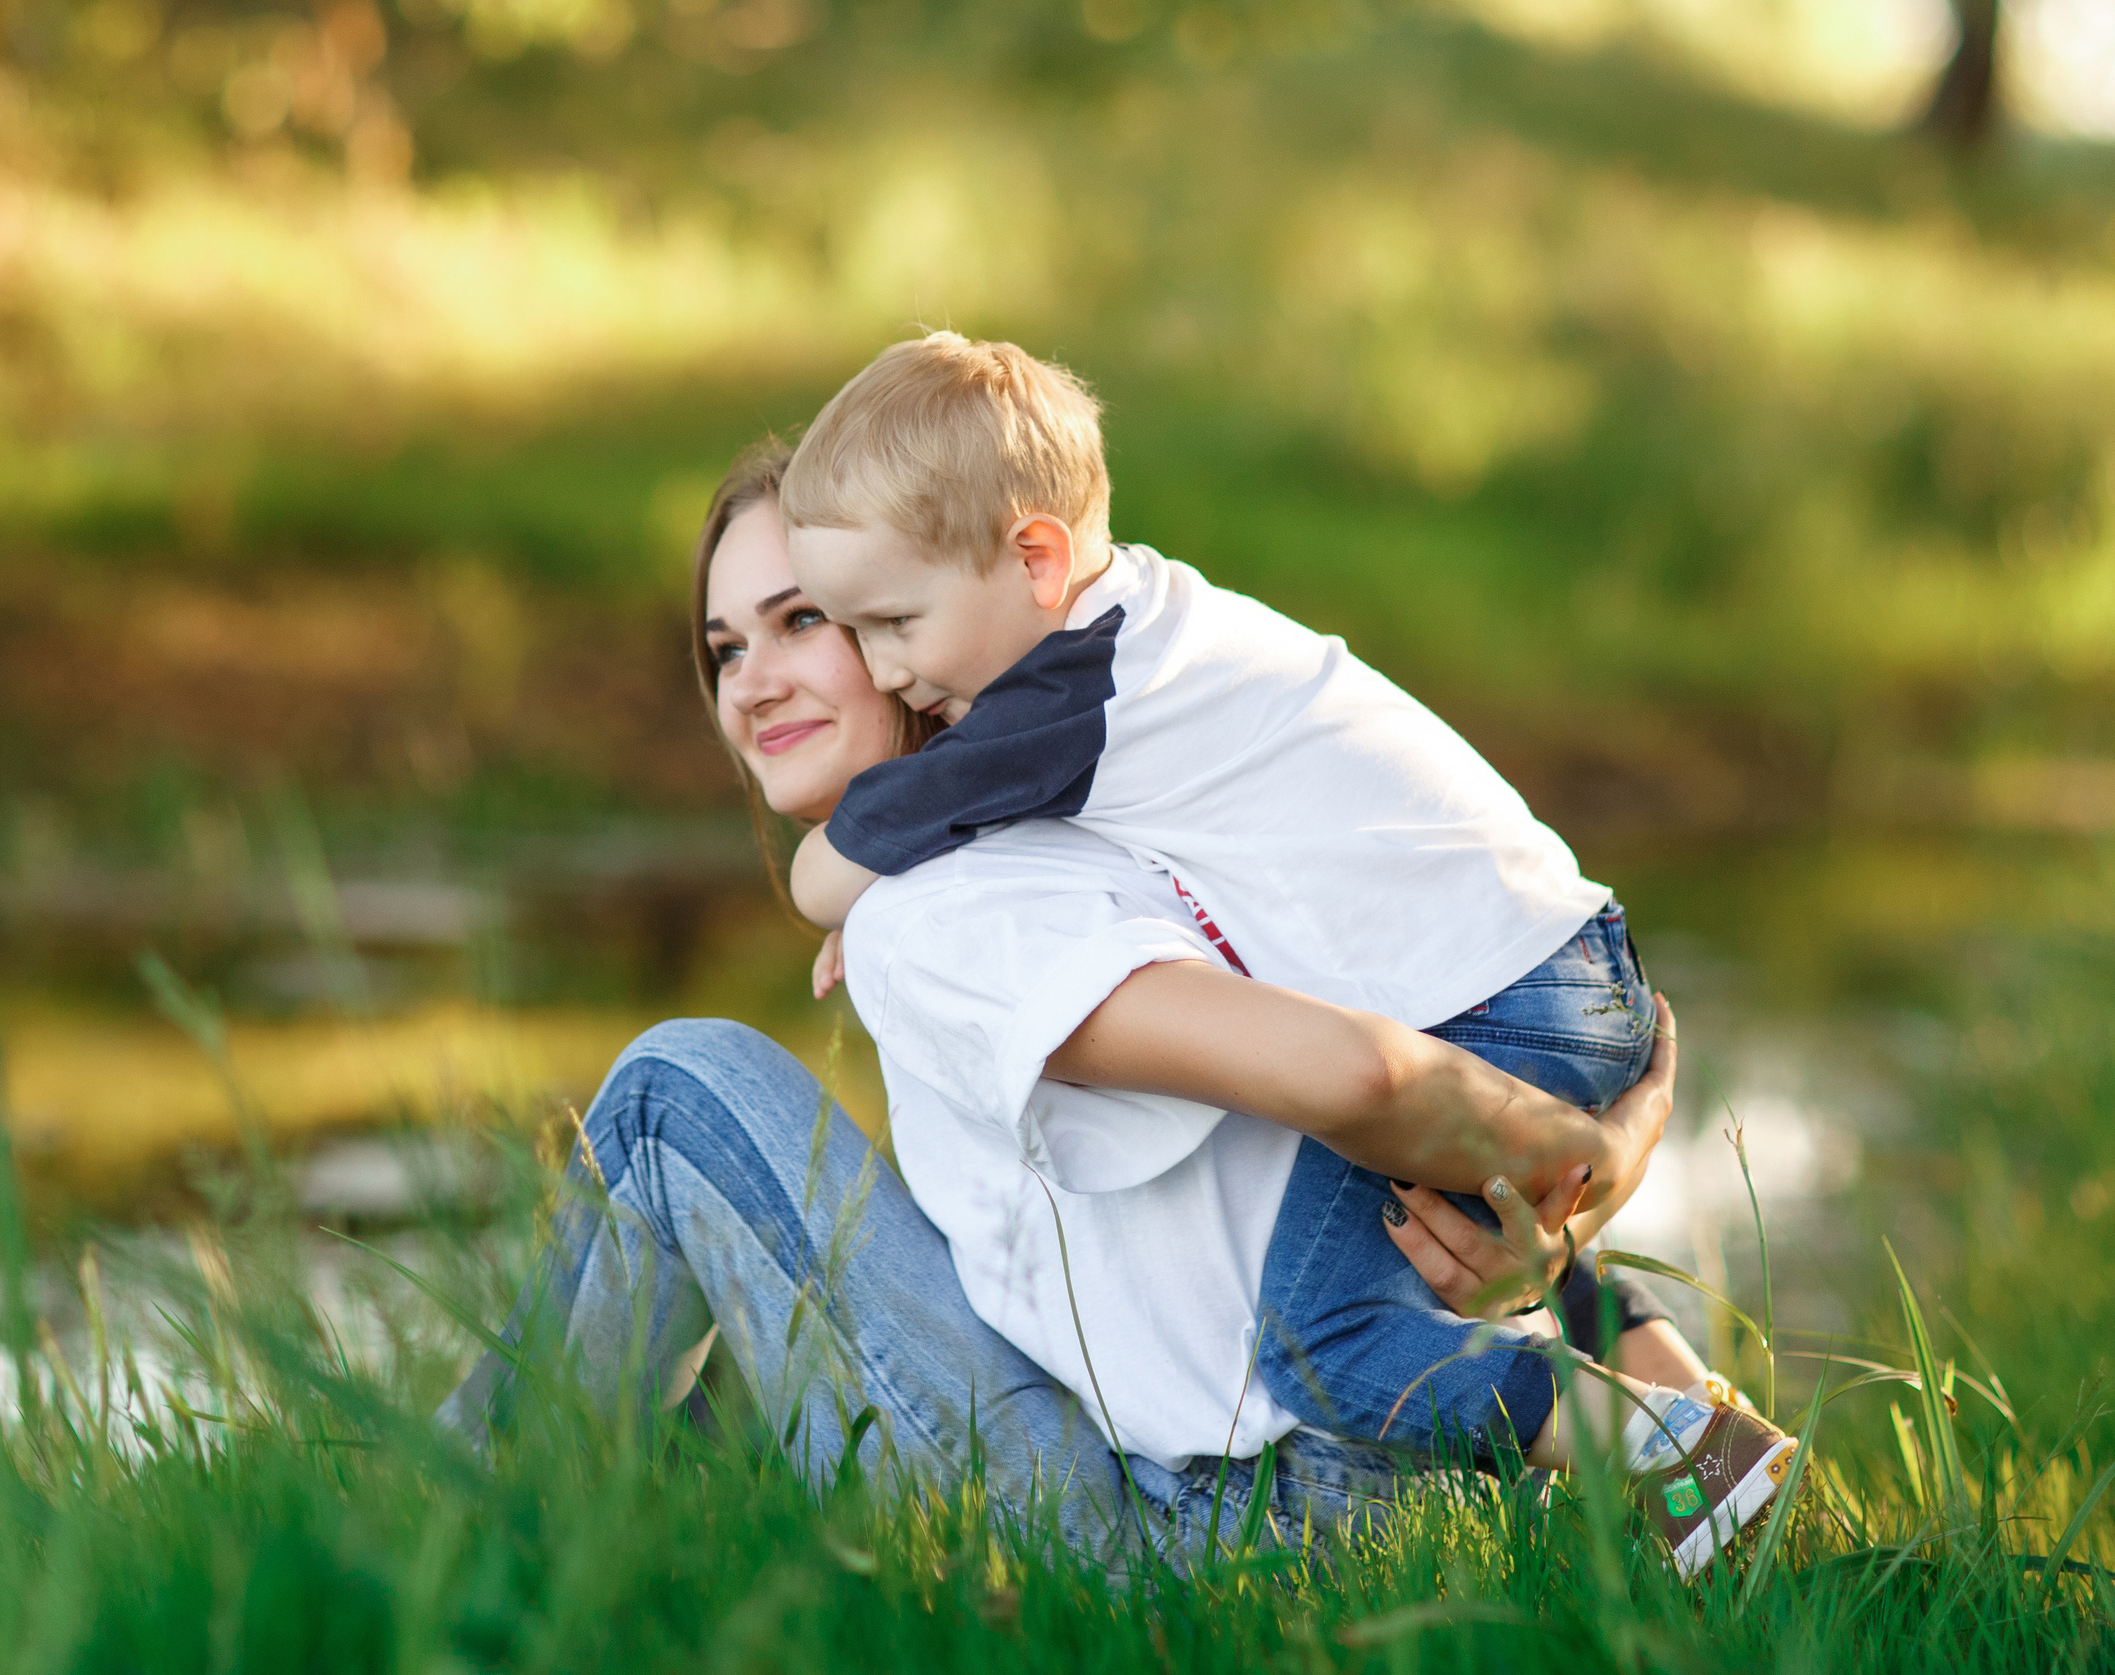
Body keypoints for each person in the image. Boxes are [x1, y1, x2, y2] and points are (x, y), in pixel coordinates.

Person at [444, 444, 1702, 1569]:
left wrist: (1591, 1158)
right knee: (730, 1385)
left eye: (808, 621)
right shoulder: (1138, 828)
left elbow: (1363, 1083)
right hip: (1363, 1476)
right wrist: (1656, 1349)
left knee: (679, 1096)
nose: (753, 683)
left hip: (1195, 1528)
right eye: (725, 648)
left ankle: (439, 1518)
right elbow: (1364, 1128)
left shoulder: (947, 914)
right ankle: (627, 1539)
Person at [772, 334, 1794, 1577]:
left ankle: (1683, 1459)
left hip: (1494, 1004)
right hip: (1552, 966)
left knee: (1326, 1346)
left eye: (892, 623)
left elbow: (818, 871)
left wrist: (861, 892)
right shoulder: (1148, 620)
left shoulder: (1065, 698)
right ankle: (1710, 1453)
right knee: (1436, 1243)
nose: (886, 670)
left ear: (1035, 558)